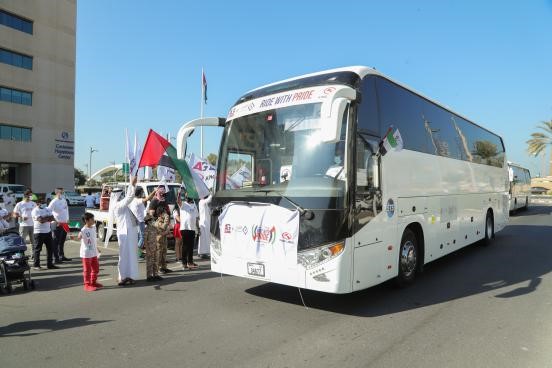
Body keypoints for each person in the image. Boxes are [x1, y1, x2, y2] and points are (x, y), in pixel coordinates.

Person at [106, 176, 139, 286]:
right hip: (125, 234)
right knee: (124, 256)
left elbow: (129, 199)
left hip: (129, 232)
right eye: (120, 195)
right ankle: (123, 277)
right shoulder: (118, 205)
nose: (121, 196)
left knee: (131, 255)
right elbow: (129, 197)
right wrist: (132, 184)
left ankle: (130, 276)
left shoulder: (121, 205)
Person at [129, 186, 156, 256]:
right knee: (142, 237)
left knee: (139, 237)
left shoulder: (133, 200)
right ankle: (136, 252)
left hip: (137, 221)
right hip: (139, 221)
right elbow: (147, 199)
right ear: (139, 193)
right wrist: (154, 191)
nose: (143, 193)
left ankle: (139, 253)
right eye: (142, 192)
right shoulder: (137, 200)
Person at [31, 198, 57, 270]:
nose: (44, 204)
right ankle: (36, 265)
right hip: (39, 232)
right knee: (38, 249)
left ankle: (50, 264)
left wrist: (45, 218)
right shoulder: (35, 210)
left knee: (50, 248)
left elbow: (53, 218)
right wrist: (47, 218)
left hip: (48, 231)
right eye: (42, 202)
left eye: (44, 202)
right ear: (38, 203)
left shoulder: (47, 209)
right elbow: (41, 221)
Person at [78, 212, 102, 291]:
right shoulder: (83, 230)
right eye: (92, 219)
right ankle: (87, 285)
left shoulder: (93, 227)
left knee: (96, 268)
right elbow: (79, 237)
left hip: (94, 252)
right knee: (87, 270)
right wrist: (75, 237)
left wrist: (97, 248)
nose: (93, 220)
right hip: (86, 253)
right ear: (86, 220)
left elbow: (93, 240)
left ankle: (93, 282)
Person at [178, 188, 199, 270]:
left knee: (191, 247)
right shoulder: (183, 204)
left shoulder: (194, 205)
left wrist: (198, 228)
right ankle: (184, 263)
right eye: (187, 195)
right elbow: (178, 201)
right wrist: (179, 194)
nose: (188, 197)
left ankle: (190, 262)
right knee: (185, 246)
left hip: (192, 229)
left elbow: (196, 218)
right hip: (185, 228)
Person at [48, 187, 71, 263]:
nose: (62, 194)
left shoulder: (64, 200)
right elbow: (48, 211)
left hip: (64, 223)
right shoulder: (53, 202)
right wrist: (54, 220)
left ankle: (61, 256)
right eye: (61, 193)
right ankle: (56, 258)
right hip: (57, 224)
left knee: (62, 241)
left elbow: (66, 210)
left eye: (63, 192)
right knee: (56, 241)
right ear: (57, 193)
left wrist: (67, 219)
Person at [13, 189, 37, 256]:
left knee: (33, 241)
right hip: (23, 225)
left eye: (32, 195)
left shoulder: (33, 204)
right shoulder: (20, 204)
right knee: (22, 241)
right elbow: (14, 214)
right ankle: (21, 255)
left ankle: (34, 254)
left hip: (33, 225)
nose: (31, 196)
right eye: (30, 195)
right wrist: (21, 217)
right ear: (26, 195)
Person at [143, 213, 161, 281]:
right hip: (150, 248)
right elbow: (145, 241)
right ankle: (149, 276)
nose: (153, 221)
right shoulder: (146, 229)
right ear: (148, 221)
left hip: (156, 247)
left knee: (156, 261)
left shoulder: (154, 228)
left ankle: (156, 275)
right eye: (151, 220)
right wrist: (147, 250)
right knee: (149, 262)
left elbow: (160, 233)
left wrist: (167, 231)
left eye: (153, 220)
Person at [154, 205, 171, 274]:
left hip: (163, 240)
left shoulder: (162, 221)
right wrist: (167, 218)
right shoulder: (158, 222)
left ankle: (164, 267)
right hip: (159, 242)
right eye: (163, 212)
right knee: (159, 256)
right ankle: (157, 270)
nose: (165, 213)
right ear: (160, 214)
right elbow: (164, 227)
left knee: (164, 255)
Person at [197, 193, 212, 259]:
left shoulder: (204, 203)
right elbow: (209, 199)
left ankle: (203, 252)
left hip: (206, 222)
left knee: (205, 238)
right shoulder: (202, 202)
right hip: (204, 223)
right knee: (203, 238)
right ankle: (202, 252)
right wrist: (212, 192)